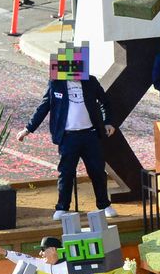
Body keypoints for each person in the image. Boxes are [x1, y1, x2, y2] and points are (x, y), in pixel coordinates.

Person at [24, 47, 118, 219]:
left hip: (90, 135)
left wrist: (108, 122)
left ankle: (104, 205)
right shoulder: (56, 83)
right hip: (68, 137)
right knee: (66, 173)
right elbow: (44, 107)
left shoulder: (91, 81)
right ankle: (62, 207)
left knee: (97, 171)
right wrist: (28, 128)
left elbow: (106, 102)